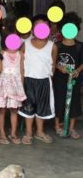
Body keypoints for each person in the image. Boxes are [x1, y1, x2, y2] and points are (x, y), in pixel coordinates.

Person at [18, 14, 58, 144]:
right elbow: (21, 64)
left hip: (44, 81)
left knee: (42, 107)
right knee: (28, 108)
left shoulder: (53, 46)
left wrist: (47, 76)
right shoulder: (25, 44)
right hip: (29, 80)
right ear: (32, 29)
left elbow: (53, 66)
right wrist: (22, 81)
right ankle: (29, 133)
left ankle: (39, 132)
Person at [53, 12, 83, 139]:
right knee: (59, 102)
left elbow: (82, 63)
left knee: (74, 103)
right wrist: (60, 67)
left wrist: (78, 70)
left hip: (74, 80)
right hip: (59, 80)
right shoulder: (57, 46)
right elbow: (52, 62)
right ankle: (57, 126)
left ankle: (71, 128)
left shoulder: (80, 46)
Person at [0, 34, 26, 144]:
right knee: (2, 110)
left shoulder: (20, 54)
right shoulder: (2, 53)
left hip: (16, 85)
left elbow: (22, 71)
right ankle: (2, 133)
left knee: (14, 109)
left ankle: (13, 133)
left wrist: (21, 86)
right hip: (3, 84)